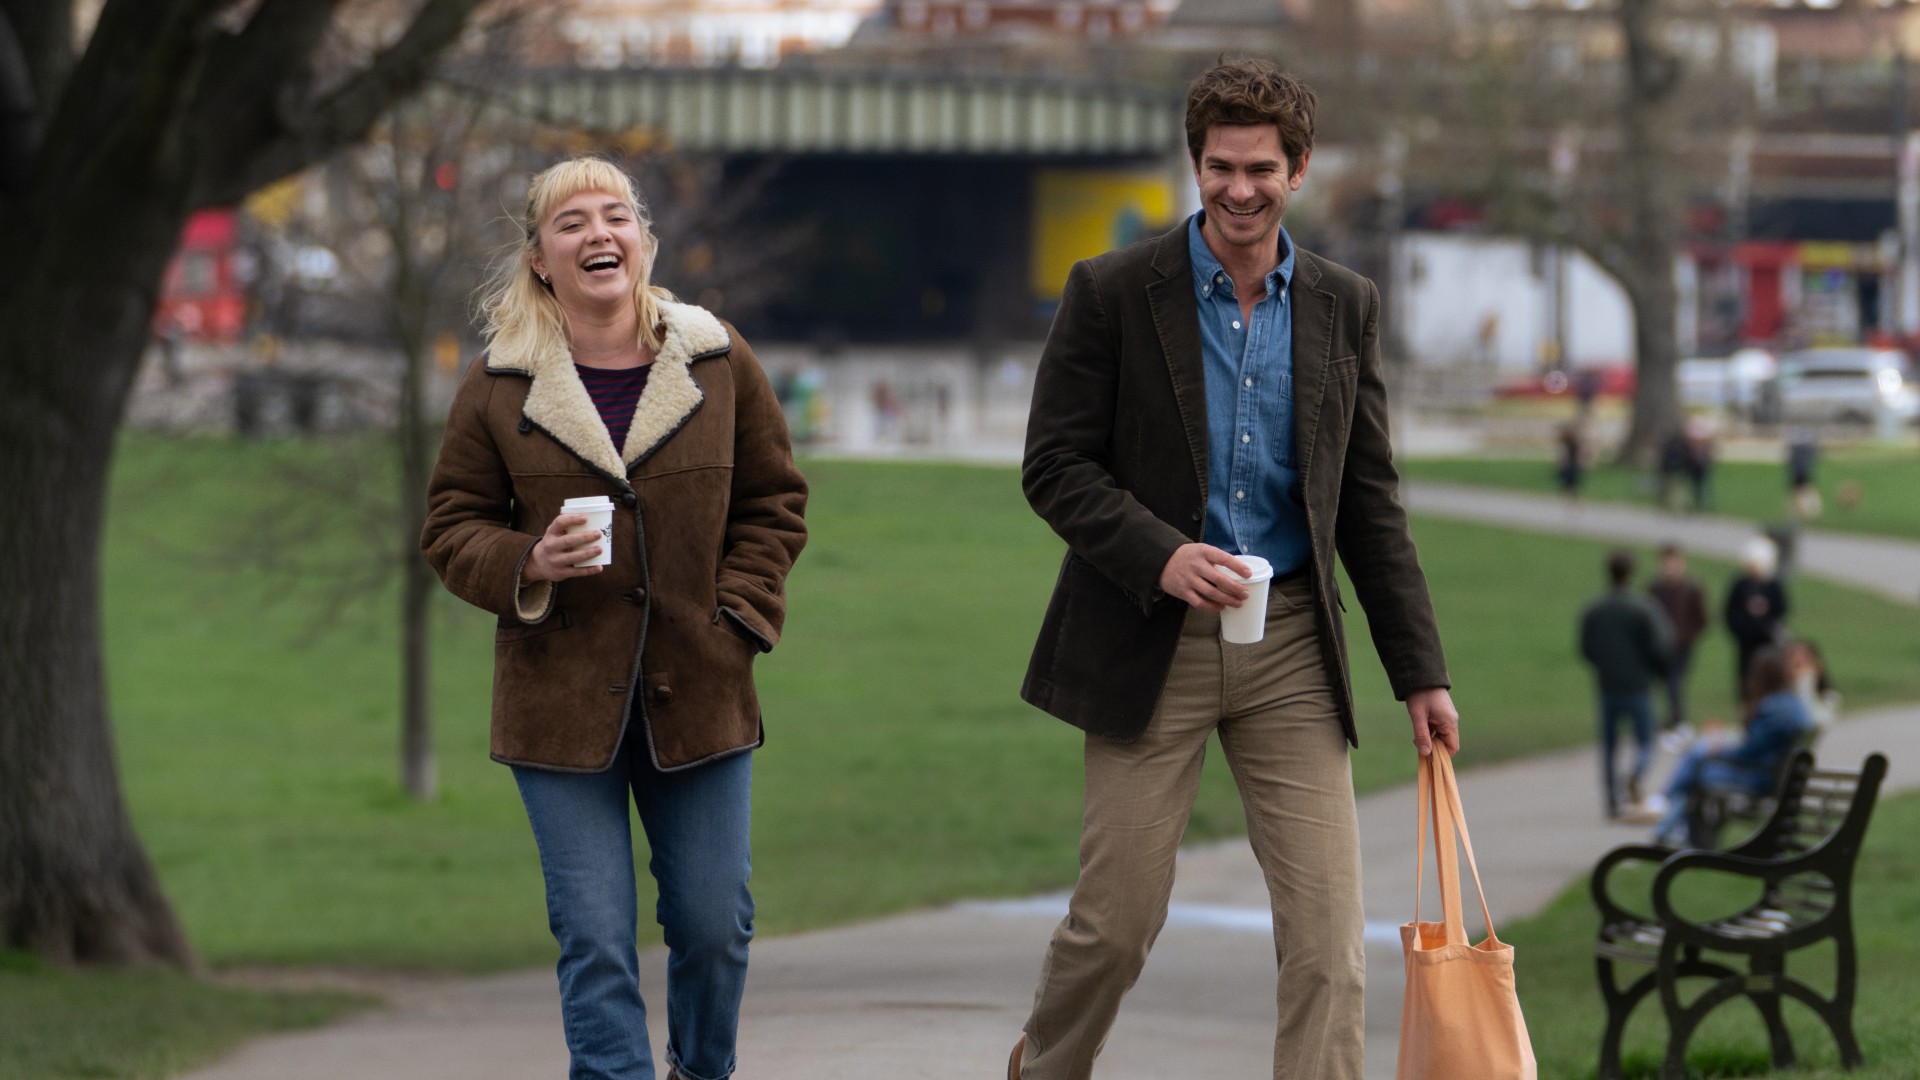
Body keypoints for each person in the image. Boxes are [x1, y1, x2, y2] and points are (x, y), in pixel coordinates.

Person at [1009, 59, 1457, 1080]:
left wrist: (1419, 673)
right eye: (1220, 167)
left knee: (1329, 944)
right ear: (1195, 166)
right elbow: (1053, 466)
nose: (1239, 189)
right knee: (1117, 924)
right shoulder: (1114, 292)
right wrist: (1161, 555)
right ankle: (1045, 1066)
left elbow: (1370, 502)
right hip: (1147, 640)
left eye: (1262, 168)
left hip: (1293, 642)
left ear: (1298, 170)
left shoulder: (1343, 306)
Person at [420, 156, 808, 1080]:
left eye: (617, 215)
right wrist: (527, 561)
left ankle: (701, 1070)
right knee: (595, 939)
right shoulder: (499, 383)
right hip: (558, 704)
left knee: (715, 927)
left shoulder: (717, 358)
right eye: (571, 222)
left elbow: (775, 503)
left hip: (702, 687)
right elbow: (449, 527)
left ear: (644, 240)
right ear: (541, 259)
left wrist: (738, 620)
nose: (600, 233)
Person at [1650, 646, 1814, 849]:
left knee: (1698, 765)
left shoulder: (1772, 707)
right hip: (1771, 774)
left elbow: (1750, 752)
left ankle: (1668, 819)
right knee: (1699, 760)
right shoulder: (1792, 704)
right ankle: (1670, 827)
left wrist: (1720, 751)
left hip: (1759, 778)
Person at [1578, 549, 1673, 818]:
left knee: (1610, 745)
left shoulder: (1595, 609)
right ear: (1631, 573)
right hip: (1638, 685)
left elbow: (1586, 647)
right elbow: (1661, 644)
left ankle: (1611, 799)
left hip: (1607, 685)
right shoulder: (1643, 607)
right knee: (1646, 741)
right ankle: (1634, 775)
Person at [1645, 543, 1707, 746]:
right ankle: (1662, 722)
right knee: (1658, 686)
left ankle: (1676, 723)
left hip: (1682, 648)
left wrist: (1687, 637)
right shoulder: (1655, 588)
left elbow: (1702, 619)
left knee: (1674, 685)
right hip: (1658, 648)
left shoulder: (1691, 589)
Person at [1724, 535, 1788, 699]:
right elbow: (1730, 613)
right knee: (1746, 677)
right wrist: (1741, 630)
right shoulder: (1741, 585)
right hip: (1746, 643)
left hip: (1767, 642)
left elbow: (1780, 610)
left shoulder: (1772, 586)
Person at [1555, 418, 1586, 504]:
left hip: (1570, 465)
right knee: (1571, 485)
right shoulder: (1569, 441)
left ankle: (1570, 501)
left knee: (1570, 484)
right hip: (1571, 465)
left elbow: (1566, 454)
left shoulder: (1571, 441)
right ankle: (1571, 501)